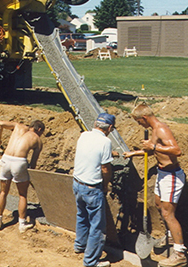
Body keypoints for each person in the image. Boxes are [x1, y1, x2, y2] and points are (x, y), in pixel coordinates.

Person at [124, 104, 186, 267]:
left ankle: (179, 253)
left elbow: (177, 150)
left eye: (138, 122)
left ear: (144, 118)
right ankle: (170, 236)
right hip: (163, 174)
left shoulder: (161, 129)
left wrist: (153, 146)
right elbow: (154, 151)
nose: (139, 125)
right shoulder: (154, 130)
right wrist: (135, 153)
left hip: (172, 175)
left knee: (168, 213)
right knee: (159, 204)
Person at [73, 112, 115, 267]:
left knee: (81, 216)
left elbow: (91, 152)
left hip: (77, 183)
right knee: (97, 226)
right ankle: (91, 262)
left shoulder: (84, 135)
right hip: (92, 188)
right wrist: (105, 185)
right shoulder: (105, 142)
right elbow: (105, 168)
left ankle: (80, 246)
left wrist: (110, 154)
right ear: (109, 127)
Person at [0, 119, 45, 233]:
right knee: (22, 195)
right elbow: (33, 164)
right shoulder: (37, 140)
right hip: (19, 162)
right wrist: (31, 178)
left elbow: (0, 124)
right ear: (39, 129)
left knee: (3, 192)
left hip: (5, 159)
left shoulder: (18, 126)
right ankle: (22, 224)